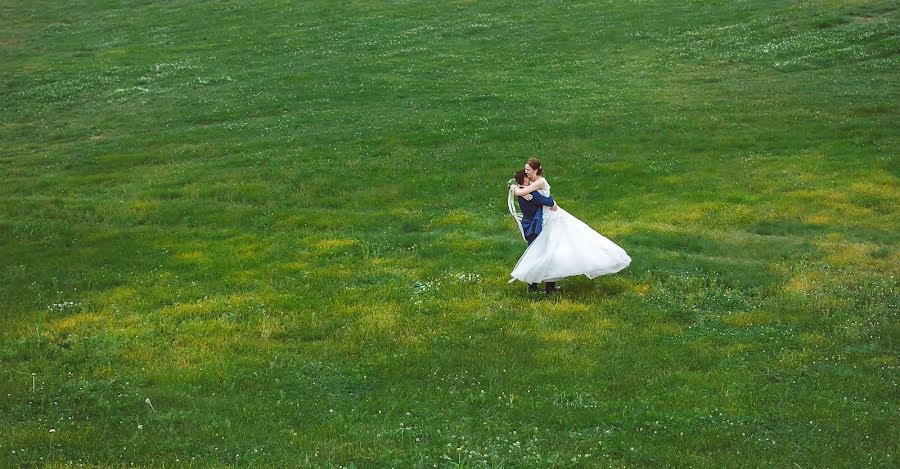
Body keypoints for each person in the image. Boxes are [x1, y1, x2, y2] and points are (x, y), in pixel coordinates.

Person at [509, 158, 631, 290]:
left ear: (536, 170)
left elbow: (541, 197)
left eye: (528, 169)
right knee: (544, 248)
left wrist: (522, 191)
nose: (526, 172)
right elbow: (517, 185)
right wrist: (518, 188)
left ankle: (546, 284)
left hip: (550, 217)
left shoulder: (539, 181)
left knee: (554, 248)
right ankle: (543, 284)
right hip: (543, 217)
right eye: (525, 169)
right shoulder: (529, 181)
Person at [508, 169, 558, 293]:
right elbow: (549, 202)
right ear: (525, 180)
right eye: (528, 178)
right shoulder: (533, 195)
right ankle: (549, 286)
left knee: (534, 254)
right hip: (536, 226)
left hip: (528, 225)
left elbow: (511, 186)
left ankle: (533, 285)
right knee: (545, 254)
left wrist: (517, 189)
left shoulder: (521, 192)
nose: (530, 179)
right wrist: (550, 196)